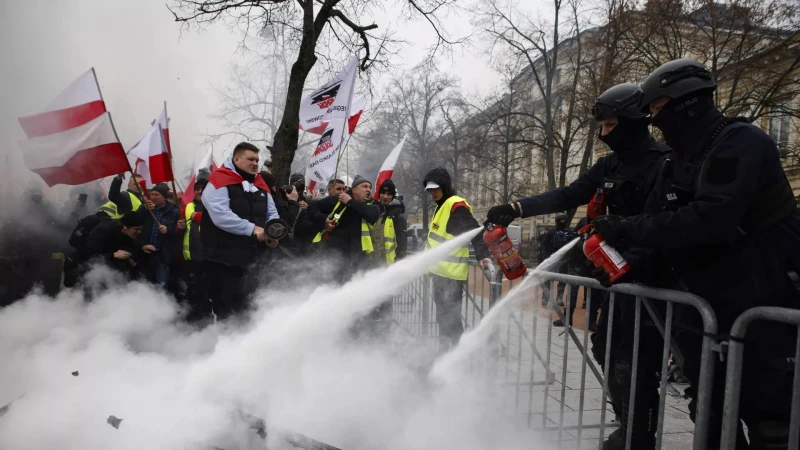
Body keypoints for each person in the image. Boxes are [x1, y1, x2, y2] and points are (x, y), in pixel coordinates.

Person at [591, 59, 800, 450]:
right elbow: (662, 227)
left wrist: (629, 227)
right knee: (709, 412)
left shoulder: (740, 143)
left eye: (657, 111)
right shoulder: (677, 161)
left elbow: (711, 218)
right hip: (707, 307)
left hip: (763, 300)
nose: (654, 122)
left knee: (770, 417)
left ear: (686, 104)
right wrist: (629, 265)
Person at [487, 82, 672, 450]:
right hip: (616, 276)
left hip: (651, 278)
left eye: (608, 125)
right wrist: (517, 208)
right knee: (606, 350)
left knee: (635, 363)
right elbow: (569, 194)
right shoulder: (610, 165)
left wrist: (635, 257)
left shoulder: (663, 162)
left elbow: (664, 224)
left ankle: (639, 437)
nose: (603, 134)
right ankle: (626, 424)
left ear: (632, 121)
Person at [201, 142, 279, 320]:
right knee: (227, 312)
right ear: (236, 159)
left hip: (254, 260)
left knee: (252, 310)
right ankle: (226, 346)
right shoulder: (218, 181)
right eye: (250, 159)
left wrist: (273, 234)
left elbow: (272, 214)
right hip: (223, 260)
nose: (255, 163)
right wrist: (253, 229)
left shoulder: (260, 185)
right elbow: (221, 216)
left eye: (257, 160)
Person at [423, 168, 492, 351]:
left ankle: (455, 357)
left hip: (452, 278)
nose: (432, 193)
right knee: (443, 319)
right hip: (440, 275)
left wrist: (483, 255)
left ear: (445, 186)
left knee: (451, 321)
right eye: (429, 189)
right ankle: (445, 353)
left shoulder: (455, 205)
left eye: (435, 188)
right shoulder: (442, 205)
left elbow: (474, 231)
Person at [361, 179, 409, 339]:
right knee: (367, 309)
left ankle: (383, 344)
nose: (385, 196)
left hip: (386, 271)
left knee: (385, 311)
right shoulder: (372, 212)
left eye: (389, 194)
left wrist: (397, 269)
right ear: (378, 193)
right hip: (368, 271)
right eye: (383, 193)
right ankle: (368, 341)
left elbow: (401, 247)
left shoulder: (397, 218)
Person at [309, 175, 380, 281]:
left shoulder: (373, 205)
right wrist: (324, 220)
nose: (368, 190)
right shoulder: (338, 200)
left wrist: (350, 202)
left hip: (358, 257)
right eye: (364, 186)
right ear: (354, 189)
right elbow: (312, 206)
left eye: (370, 187)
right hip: (334, 256)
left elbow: (372, 215)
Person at [136, 183, 180, 290]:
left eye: (157, 195)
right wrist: (143, 209)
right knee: (144, 286)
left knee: (161, 287)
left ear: (164, 197)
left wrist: (168, 230)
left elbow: (178, 233)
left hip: (162, 256)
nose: (153, 197)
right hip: (145, 254)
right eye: (152, 194)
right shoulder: (146, 209)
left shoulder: (174, 212)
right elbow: (135, 223)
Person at [183, 173, 210, 321]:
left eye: (202, 189)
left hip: (208, 255)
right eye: (197, 189)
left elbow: (206, 219)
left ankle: (206, 315)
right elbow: (193, 217)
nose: (199, 192)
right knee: (194, 288)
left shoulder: (214, 205)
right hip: (192, 256)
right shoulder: (190, 206)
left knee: (208, 288)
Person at [84, 211, 144, 279]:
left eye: (140, 229)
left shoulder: (127, 234)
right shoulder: (102, 231)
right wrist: (113, 255)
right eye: (136, 229)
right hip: (91, 271)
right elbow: (90, 256)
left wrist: (142, 246)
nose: (139, 232)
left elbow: (133, 243)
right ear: (125, 227)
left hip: (111, 269)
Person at [539, 213, 577, 316]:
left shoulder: (569, 233)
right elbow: (544, 245)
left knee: (562, 278)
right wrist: (546, 257)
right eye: (561, 220)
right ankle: (545, 296)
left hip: (564, 259)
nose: (562, 222)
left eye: (564, 220)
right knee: (548, 278)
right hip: (552, 258)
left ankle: (559, 296)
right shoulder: (551, 233)